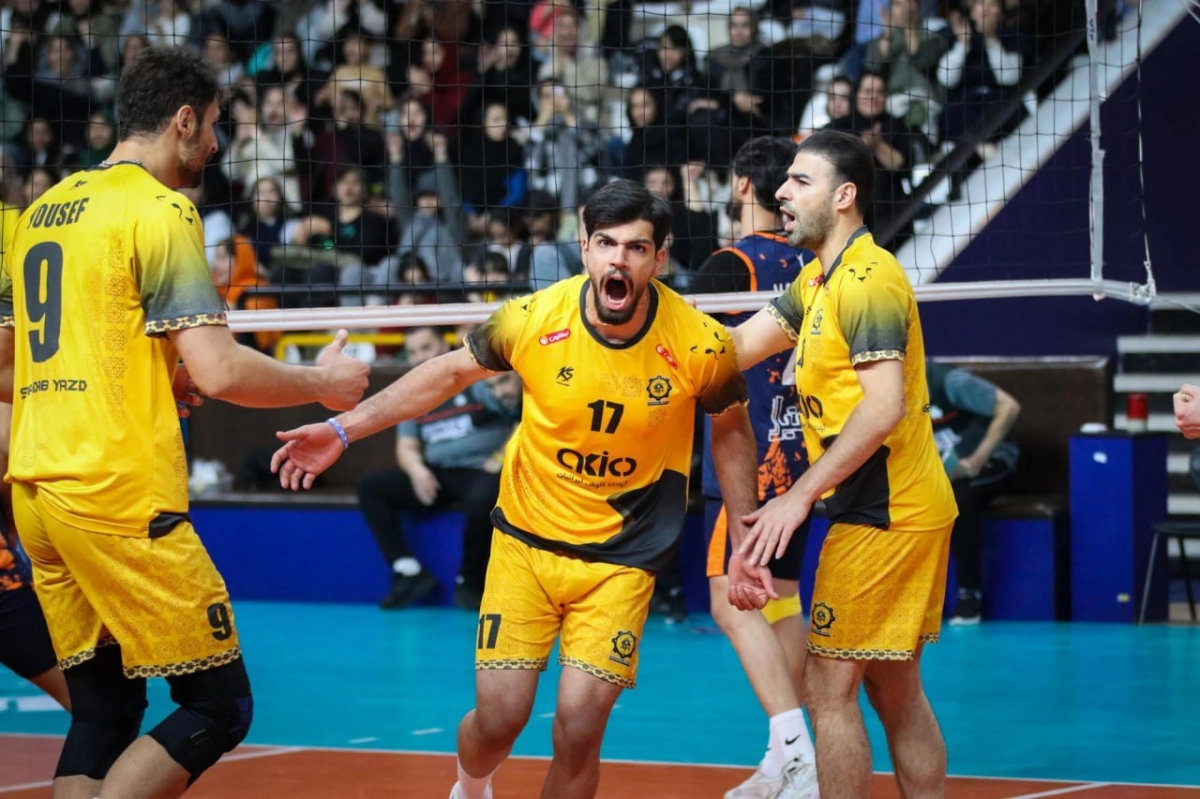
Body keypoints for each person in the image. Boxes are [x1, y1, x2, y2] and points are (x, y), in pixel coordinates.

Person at [270, 180, 771, 799]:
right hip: (526, 546)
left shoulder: (698, 342)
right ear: (585, 249)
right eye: (606, 244)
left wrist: (744, 535)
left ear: (659, 259)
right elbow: (447, 373)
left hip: (624, 558)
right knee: (499, 721)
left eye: (636, 248)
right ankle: (470, 786)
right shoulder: (533, 319)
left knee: (580, 728)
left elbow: (731, 428)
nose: (618, 260)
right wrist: (345, 429)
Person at [0, 46, 369, 799]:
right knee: (219, 706)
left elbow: (11, 363)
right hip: (115, 495)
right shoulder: (162, 209)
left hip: (36, 496)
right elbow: (222, 371)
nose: (217, 144)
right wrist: (323, 384)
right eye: (215, 126)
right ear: (183, 119)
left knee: (105, 709)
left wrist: (153, 376)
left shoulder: (42, 212)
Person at [727, 129, 958, 799]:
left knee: (829, 685)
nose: (781, 192)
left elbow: (883, 406)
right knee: (895, 687)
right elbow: (734, 348)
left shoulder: (869, 279)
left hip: (886, 512)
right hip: (897, 506)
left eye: (800, 181)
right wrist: (643, 339)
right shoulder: (817, 279)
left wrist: (796, 496)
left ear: (844, 196)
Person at [691, 136, 819, 799]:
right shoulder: (814, 261)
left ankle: (796, 752)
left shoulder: (729, 264)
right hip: (802, 455)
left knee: (729, 601)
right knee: (782, 599)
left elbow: (695, 365)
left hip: (748, 454)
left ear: (743, 185)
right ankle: (784, 760)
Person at [358, 326, 522, 611]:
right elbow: (406, 447)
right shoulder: (412, 397)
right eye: (413, 352)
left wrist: (499, 458)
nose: (420, 357)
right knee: (373, 487)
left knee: (485, 496)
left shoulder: (476, 382)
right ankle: (408, 570)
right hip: (437, 474)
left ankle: (470, 581)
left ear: (444, 347)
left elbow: (521, 418)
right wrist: (417, 471)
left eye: (426, 347)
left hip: (481, 470)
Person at [927, 360, 1021, 625]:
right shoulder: (888, 387)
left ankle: (969, 594)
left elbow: (1009, 407)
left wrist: (976, 461)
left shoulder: (950, 382)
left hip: (991, 461)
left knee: (959, 498)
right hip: (943, 470)